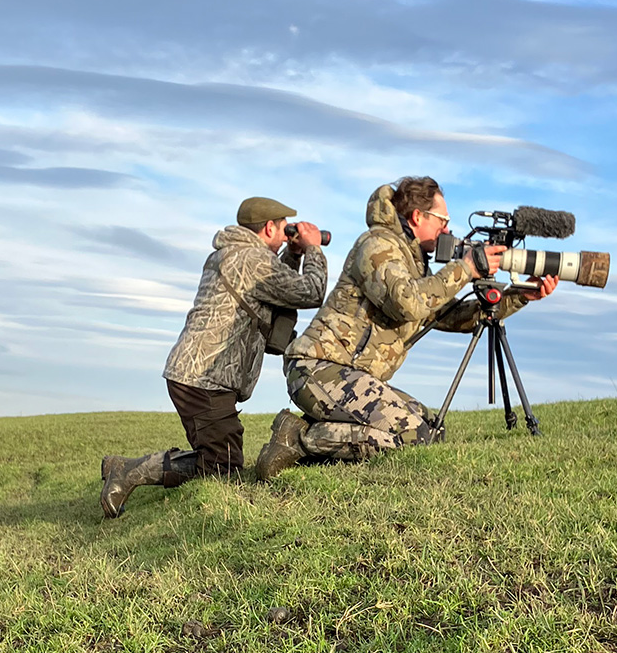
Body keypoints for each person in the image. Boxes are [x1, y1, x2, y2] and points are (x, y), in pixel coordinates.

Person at [254, 176, 557, 480]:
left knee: (431, 428)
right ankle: (299, 441)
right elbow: (407, 303)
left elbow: (449, 316)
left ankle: (312, 433)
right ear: (417, 216)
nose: (447, 230)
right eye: (443, 220)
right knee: (415, 437)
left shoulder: (415, 262)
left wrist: (519, 297)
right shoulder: (378, 245)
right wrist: (466, 269)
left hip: (353, 375)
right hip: (319, 367)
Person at [99, 196, 328, 517]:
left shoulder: (237, 255)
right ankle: (126, 471)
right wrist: (314, 248)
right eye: (283, 228)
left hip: (197, 375)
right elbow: (310, 292)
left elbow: (276, 289)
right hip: (205, 378)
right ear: (268, 227)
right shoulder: (249, 259)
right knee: (224, 467)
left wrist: (292, 253)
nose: (286, 232)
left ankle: (127, 470)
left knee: (219, 460)